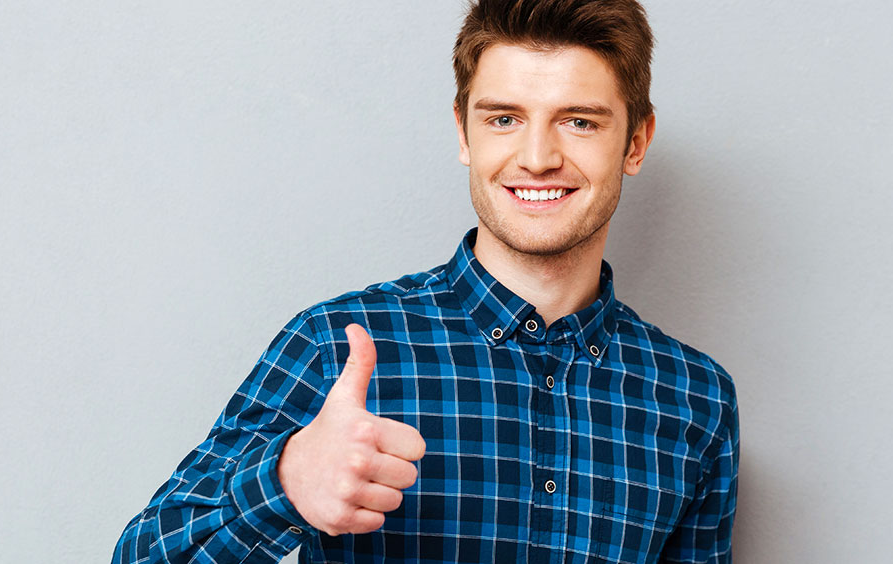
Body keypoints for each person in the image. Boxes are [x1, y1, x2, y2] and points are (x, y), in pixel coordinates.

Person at [113, 0, 739, 562]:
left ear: (636, 142)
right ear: (463, 132)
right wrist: (282, 488)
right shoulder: (337, 343)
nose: (538, 156)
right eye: (503, 119)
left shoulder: (697, 399)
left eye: (579, 121)